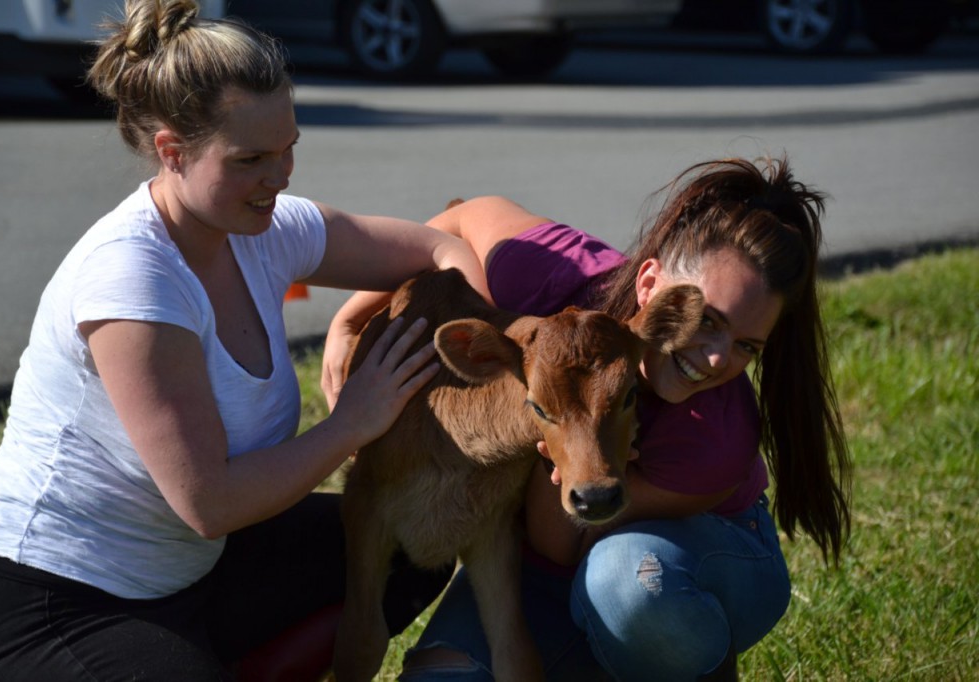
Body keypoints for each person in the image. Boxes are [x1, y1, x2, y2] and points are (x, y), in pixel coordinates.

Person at [0, 1, 490, 680]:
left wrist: (477, 338)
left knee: (416, 538)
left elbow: (440, 246)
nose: (281, 175)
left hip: (192, 574)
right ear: (172, 152)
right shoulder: (133, 276)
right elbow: (208, 504)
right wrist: (354, 422)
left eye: (290, 146)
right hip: (51, 599)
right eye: (252, 159)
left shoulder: (269, 226)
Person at [320, 156, 853, 681]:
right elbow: (462, 217)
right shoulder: (565, 277)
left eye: (745, 346)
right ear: (650, 288)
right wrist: (350, 320)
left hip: (682, 562)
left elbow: (565, 539)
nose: (714, 358)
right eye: (706, 320)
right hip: (544, 569)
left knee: (628, 585)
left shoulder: (712, 437)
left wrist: (568, 448)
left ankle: (694, 667)